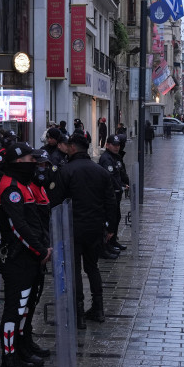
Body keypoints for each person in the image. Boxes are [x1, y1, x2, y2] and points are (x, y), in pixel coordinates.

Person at [0, 142, 52, 367]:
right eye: (31, 160)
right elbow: (18, 226)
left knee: (25, 308)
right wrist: (40, 250)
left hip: (29, 256)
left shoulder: (22, 184)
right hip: (18, 258)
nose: (35, 164)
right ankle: (8, 363)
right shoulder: (11, 188)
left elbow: (34, 220)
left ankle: (19, 352)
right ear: (18, 162)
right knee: (14, 310)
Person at [56, 133, 117, 326]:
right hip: (95, 228)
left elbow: (56, 202)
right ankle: (98, 309)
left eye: (68, 146)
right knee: (92, 267)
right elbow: (111, 202)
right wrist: (111, 227)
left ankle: (78, 312)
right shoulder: (100, 171)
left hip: (73, 228)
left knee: (74, 268)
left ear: (73, 148)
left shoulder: (66, 171)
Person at [99, 134, 130, 253]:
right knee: (109, 219)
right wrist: (120, 186)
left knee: (116, 217)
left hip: (116, 194)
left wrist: (123, 183)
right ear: (107, 145)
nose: (117, 147)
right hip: (109, 194)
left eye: (118, 145)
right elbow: (110, 177)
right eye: (114, 145)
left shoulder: (115, 157)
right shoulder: (106, 158)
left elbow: (119, 174)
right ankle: (106, 245)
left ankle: (112, 241)